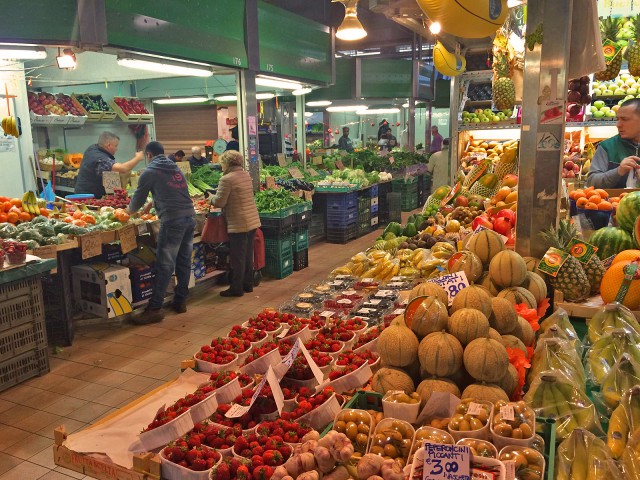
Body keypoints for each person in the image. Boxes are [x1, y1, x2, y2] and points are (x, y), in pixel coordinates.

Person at [127, 141, 196, 325]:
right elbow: (171, 191)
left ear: (148, 155)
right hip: (190, 217)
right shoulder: (174, 167)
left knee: (165, 264)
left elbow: (136, 201)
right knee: (183, 260)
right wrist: (153, 203)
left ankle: (155, 308)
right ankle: (180, 301)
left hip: (173, 220)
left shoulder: (149, 172)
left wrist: (127, 214)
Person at [208, 150, 261, 297]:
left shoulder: (227, 179)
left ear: (227, 163)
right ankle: (248, 284)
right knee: (248, 255)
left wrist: (210, 197)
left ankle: (236, 288)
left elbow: (220, 202)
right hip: (251, 221)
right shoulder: (245, 175)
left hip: (238, 222)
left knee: (238, 257)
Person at [588, 98, 640, 188]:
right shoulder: (607, 147)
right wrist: (618, 172)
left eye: (624, 119)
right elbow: (591, 183)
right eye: (618, 119)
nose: (618, 124)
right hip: (614, 201)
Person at [74, 131, 145, 198]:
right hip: (87, 197)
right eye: (116, 146)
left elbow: (108, 173)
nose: (117, 149)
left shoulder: (93, 148)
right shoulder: (100, 158)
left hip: (86, 193)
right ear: (109, 145)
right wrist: (137, 158)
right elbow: (123, 168)